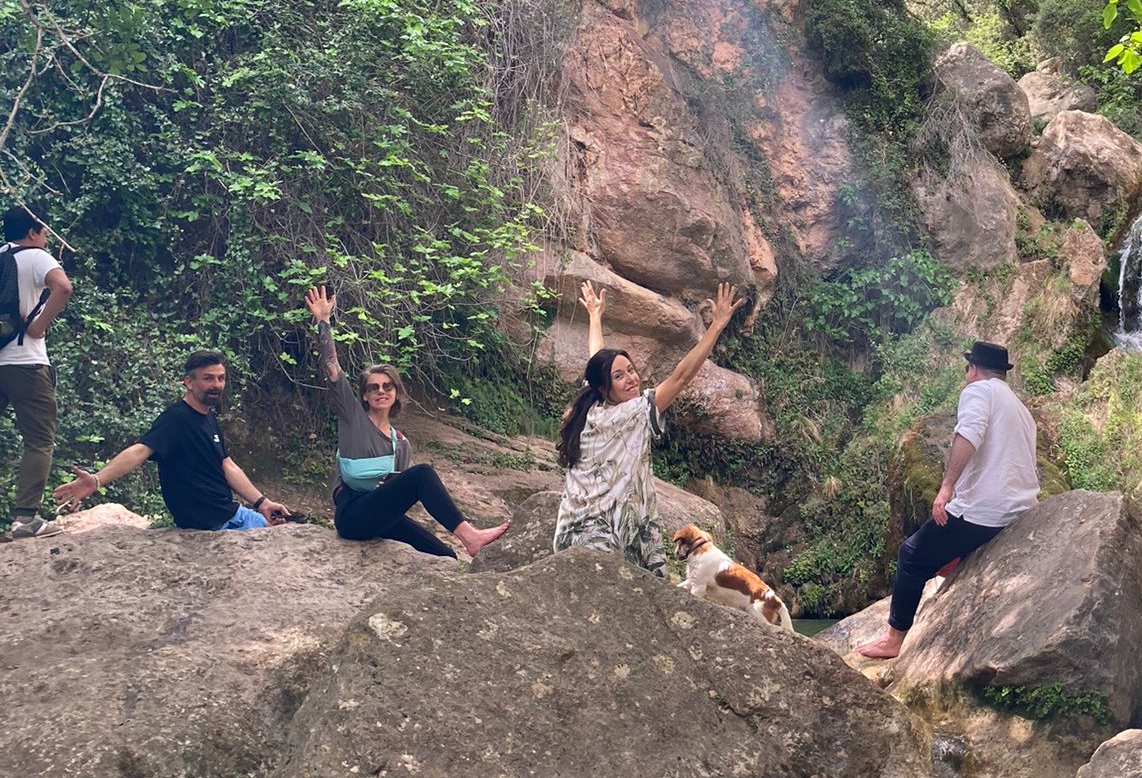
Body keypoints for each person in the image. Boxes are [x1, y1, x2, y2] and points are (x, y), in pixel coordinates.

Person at [859, 339, 1039, 661]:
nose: (966, 376)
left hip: (985, 512)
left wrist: (947, 487)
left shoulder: (978, 391)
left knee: (911, 555)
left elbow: (968, 433)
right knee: (941, 552)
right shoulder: (1020, 409)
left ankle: (893, 639)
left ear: (974, 370)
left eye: (967, 369)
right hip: (1021, 510)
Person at [304, 287, 508, 558]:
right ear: (364, 395)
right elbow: (332, 368)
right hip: (352, 515)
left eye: (387, 386)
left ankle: (461, 548)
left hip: (379, 515)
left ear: (395, 392)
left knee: (444, 554)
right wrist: (323, 321)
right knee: (422, 474)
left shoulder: (401, 444)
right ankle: (470, 536)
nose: (380, 391)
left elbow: (394, 494)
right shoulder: (353, 418)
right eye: (373, 387)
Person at [554, 277, 742, 574]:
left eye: (631, 370)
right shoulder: (635, 412)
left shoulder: (590, 406)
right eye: (619, 376)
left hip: (571, 533)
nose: (631, 379)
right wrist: (716, 326)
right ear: (605, 387)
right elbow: (681, 376)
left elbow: (596, 361)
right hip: (602, 539)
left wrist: (595, 316)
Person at [53, 350, 294, 531]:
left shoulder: (208, 417)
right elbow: (139, 451)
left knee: (284, 527)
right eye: (208, 379)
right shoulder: (176, 419)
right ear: (189, 382)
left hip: (229, 513)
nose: (216, 385)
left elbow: (226, 464)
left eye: (221, 379)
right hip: (211, 523)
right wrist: (96, 480)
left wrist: (262, 503)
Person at [1, 205, 73, 538]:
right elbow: (63, 287)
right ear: (32, 232)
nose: (46, 237)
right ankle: (25, 519)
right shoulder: (35, 257)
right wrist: (39, 326)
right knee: (39, 440)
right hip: (25, 363)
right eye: (44, 231)